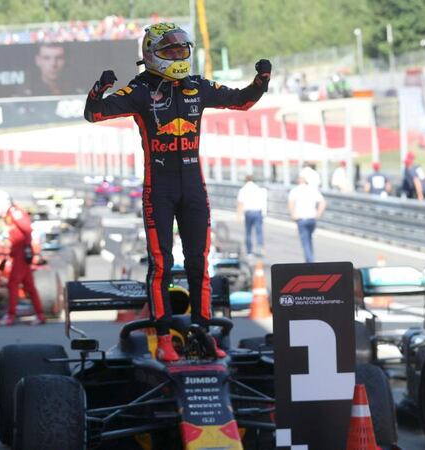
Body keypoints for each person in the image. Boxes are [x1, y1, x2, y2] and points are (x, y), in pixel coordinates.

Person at [83, 22, 271, 362]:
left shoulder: (197, 86)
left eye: (182, 49)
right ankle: (163, 338)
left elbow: (241, 101)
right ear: (151, 54)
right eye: (169, 51)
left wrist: (261, 82)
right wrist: (99, 89)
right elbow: (94, 113)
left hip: (194, 189)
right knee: (161, 265)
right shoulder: (140, 90)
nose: (178, 55)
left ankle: (202, 333)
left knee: (200, 263)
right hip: (159, 188)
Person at [0, 204, 45, 326]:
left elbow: (26, 229)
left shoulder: (15, 213)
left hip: (20, 254)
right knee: (29, 286)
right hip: (19, 252)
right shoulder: (12, 214)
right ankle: (40, 315)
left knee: (13, 284)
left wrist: (25, 246)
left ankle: (10, 315)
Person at [288, 174, 326, 263]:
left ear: (299, 181)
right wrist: (318, 213)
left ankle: (310, 262)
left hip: (301, 219)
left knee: (305, 242)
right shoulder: (312, 190)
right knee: (309, 240)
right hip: (312, 219)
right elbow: (323, 202)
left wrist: (293, 214)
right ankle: (310, 259)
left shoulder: (295, 190)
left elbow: (291, 202)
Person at [236, 175, 267, 256]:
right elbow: (263, 201)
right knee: (259, 232)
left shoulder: (243, 190)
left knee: (248, 232)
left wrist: (239, 215)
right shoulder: (258, 189)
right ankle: (260, 247)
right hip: (258, 212)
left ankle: (249, 251)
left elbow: (240, 203)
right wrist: (264, 213)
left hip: (248, 213)